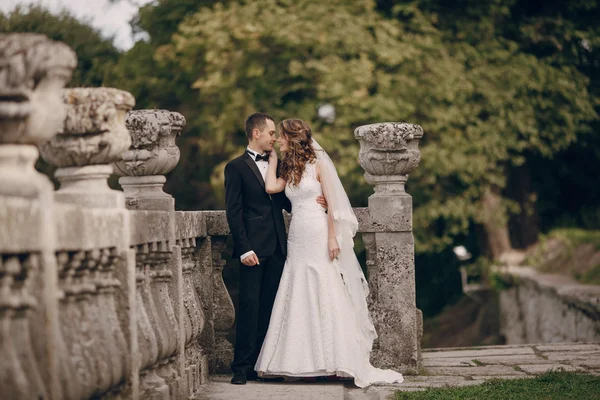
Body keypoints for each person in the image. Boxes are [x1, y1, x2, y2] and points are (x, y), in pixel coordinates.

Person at [254, 118, 404, 387]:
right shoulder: (291, 167)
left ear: (292, 137)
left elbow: (333, 205)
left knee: (326, 285)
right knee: (298, 287)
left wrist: (333, 238)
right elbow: (271, 187)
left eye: (281, 137)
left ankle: (335, 358)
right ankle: (301, 361)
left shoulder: (319, 165)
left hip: (319, 230)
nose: (277, 139)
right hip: (298, 233)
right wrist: (274, 158)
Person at [224, 113, 326, 385]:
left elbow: (291, 202)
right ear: (256, 133)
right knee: (248, 306)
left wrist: (321, 202)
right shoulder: (235, 168)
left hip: (282, 248)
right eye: (271, 133)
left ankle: (264, 365)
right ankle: (241, 368)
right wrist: (243, 248)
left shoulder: (280, 166)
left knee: (273, 308)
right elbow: (233, 212)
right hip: (253, 251)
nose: (274, 138)